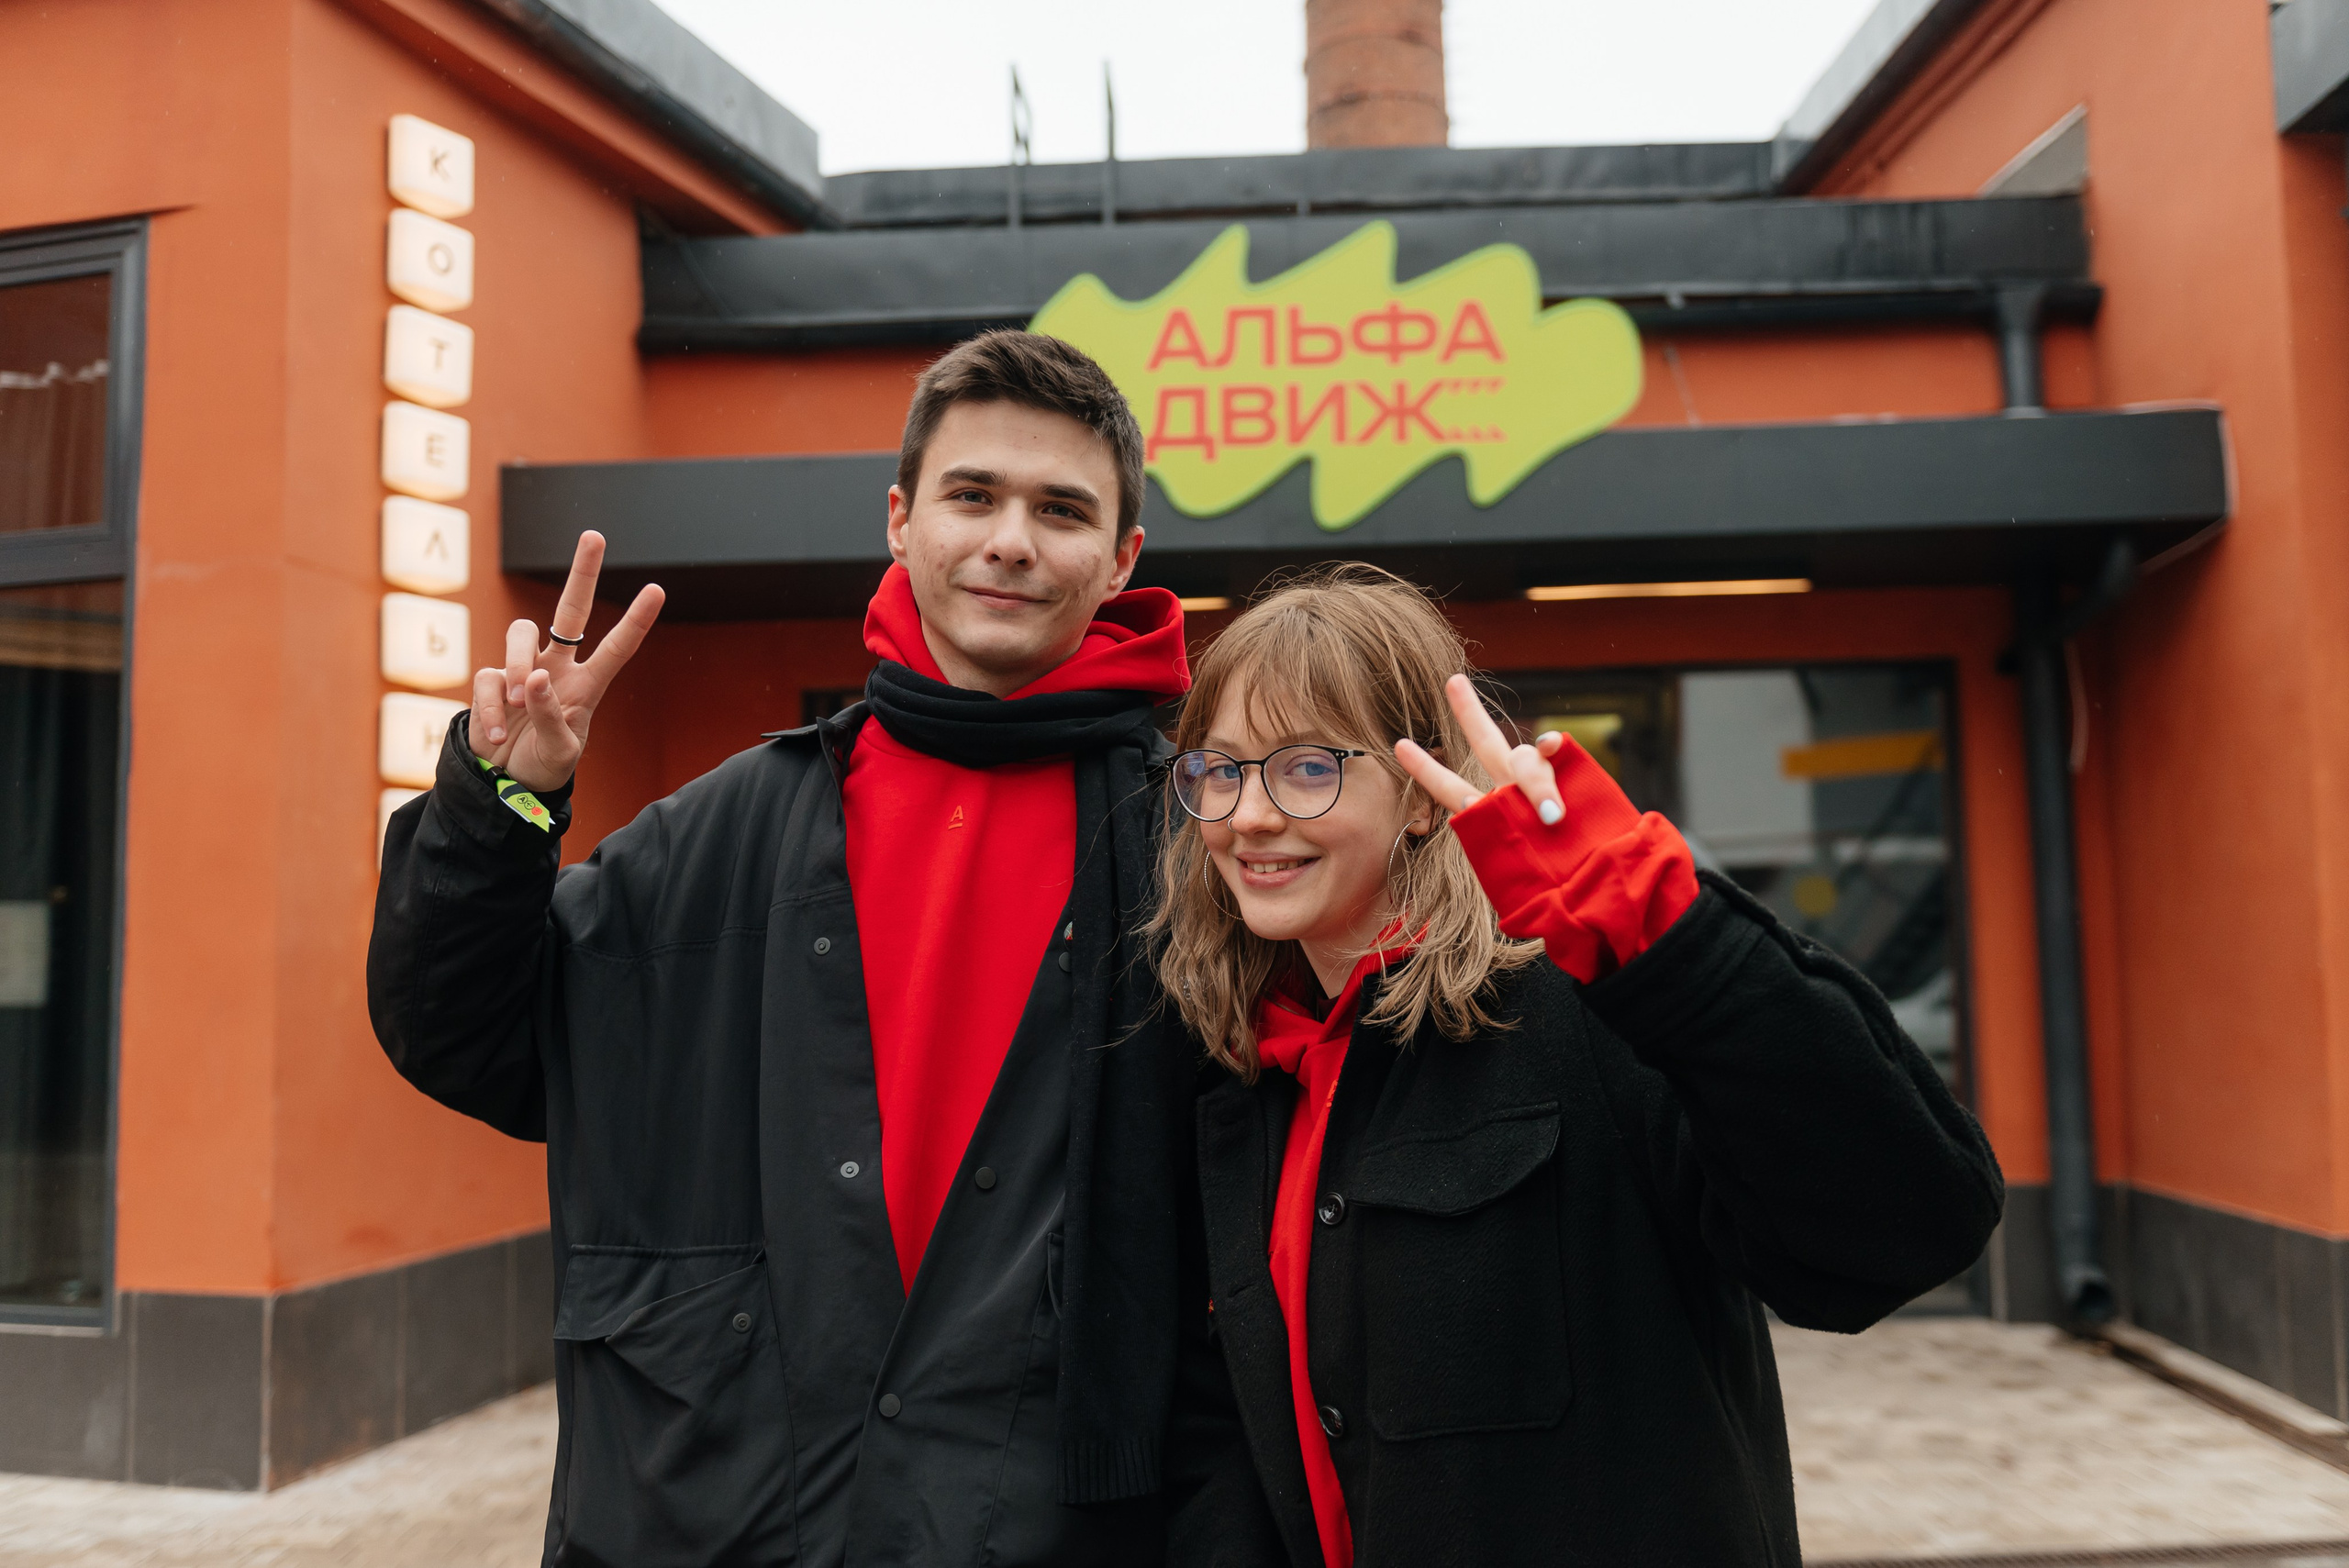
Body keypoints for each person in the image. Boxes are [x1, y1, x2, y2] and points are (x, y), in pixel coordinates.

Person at [368, 330, 1268, 1567]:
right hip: (732, 1520)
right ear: (900, 520)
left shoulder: (1205, 848)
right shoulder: (724, 831)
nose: (1011, 539)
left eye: (1061, 509)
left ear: (1121, 558)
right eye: (972, 495)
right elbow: (470, 1034)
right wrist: (501, 804)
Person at [1152, 563, 2005, 1568]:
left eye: (1306, 767)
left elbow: (1911, 1227)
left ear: (1421, 795)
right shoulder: (1236, 1076)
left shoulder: (1590, 1011)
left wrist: (1665, 936)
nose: (1248, 815)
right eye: (1219, 770)